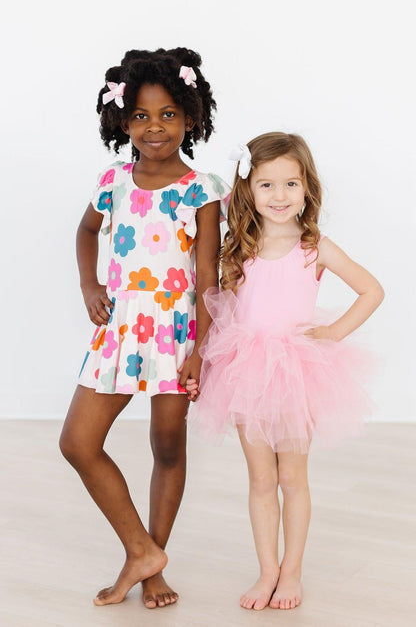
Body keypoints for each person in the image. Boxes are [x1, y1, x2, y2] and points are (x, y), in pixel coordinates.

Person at [59, 47, 230, 610]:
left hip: (176, 332)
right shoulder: (112, 180)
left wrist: (200, 350)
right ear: (122, 121)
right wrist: (90, 285)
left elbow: (207, 276)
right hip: (121, 327)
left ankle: (155, 562)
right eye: (140, 115)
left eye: (168, 114)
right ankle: (141, 551)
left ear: (191, 117)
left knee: (167, 444)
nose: (155, 127)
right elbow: (87, 231)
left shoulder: (202, 188)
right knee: (78, 442)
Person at [186, 132, 384, 611]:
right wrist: (204, 365)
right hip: (245, 371)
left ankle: (292, 571)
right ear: (248, 189)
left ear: (307, 187)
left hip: (297, 372)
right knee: (260, 479)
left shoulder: (314, 247)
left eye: (291, 184)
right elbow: (222, 312)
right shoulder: (238, 249)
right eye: (267, 184)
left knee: (292, 477)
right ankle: (267, 571)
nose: (279, 196)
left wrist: (332, 333)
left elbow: (372, 290)